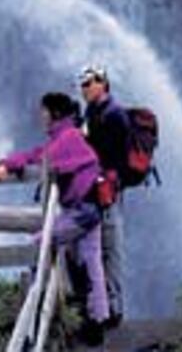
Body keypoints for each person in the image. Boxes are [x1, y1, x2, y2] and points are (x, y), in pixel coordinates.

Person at [0, 92, 109, 346]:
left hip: (83, 211)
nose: (40, 116)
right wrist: (9, 163)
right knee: (93, 264)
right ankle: (97, 323)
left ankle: (35, 313)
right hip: (90, 207)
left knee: (40, 244)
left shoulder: (68, 138)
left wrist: (10, 164)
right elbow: (40, 154)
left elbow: (46, 160)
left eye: (44, 111)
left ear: (55, 113)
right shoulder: (67, 135)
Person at [78, 65, 130, 330]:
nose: (83, 88)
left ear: (103, 84)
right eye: (82, 84)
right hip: (96, 187)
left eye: (88, 84)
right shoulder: (93, 112)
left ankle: (115, 309)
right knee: (99, 249)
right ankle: (102, 308)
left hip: (108, 188)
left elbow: (114, 157)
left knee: (111, 248)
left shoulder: (114, 115)